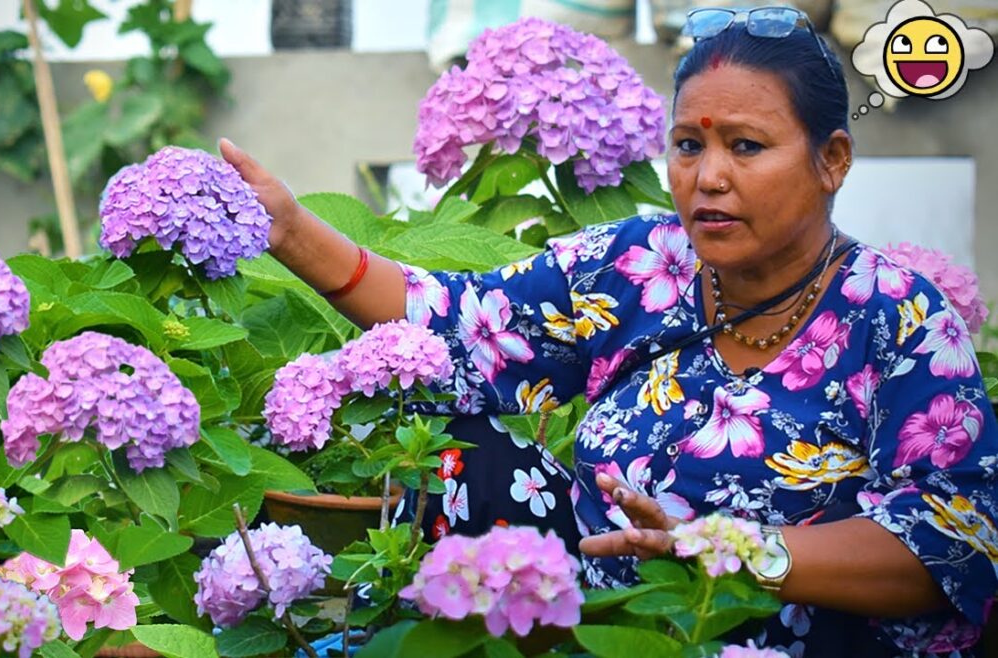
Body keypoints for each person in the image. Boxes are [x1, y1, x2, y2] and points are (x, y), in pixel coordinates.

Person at [218, 7, 998, 655]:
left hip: (768, 635)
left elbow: (956, 537)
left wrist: (729, 547)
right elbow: (456, 321)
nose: (709, 175)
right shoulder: (639, 262)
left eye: (746, 146)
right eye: (689, 144)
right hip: (597, 617)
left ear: (831, 160)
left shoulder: (897, 318)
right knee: (460, 448)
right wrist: (289, 231)